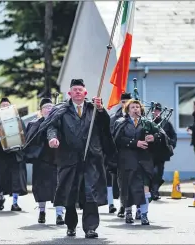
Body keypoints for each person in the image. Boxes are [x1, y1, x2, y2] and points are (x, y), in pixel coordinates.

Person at [44, 79, 116, 238]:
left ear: (85, 93)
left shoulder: (94, 109)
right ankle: (71, 225)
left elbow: (106, 126)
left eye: (80, 89)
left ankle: (90, 228)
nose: (77, 92)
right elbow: (52, 126)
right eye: (74, 89)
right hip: (68, 159)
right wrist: (52, 138)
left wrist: (102, 109)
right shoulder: (61, 110)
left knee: (90, 192)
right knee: (70, 193)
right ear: (69, 93)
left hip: (91, 159)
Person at [113, 99, 161, 225]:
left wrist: (153, 137)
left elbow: (160, 135)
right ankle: (128, 212)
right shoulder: (120, 122)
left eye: (137, 107)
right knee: (127, 186)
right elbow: (117, 139)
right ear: (127, 110)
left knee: (145, 187)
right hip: (127, 159)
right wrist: (135, 143)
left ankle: (144, 215)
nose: (135, 109)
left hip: (144, 160)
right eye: (132, 107)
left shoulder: (147, 123)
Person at [24, 98, 64, 225]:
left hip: (56, 160)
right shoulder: (34, 124)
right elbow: (29, 140)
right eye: (46, 107)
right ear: (40, 111)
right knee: (40, 189)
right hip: (40, 160)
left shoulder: (60, 123)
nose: (49, 109)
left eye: (51, 107)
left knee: (59, 188)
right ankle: (42, 211)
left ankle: (59, 214)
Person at [0, 98, 28, 211]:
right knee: (1, 179)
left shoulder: (18, 120)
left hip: (15, 154)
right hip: (1, 155)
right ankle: (1, 198)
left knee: (16, 180)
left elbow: (24, 135)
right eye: (3, 105)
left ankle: (15, 203)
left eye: (7, 105)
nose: (5, 107)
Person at [107, 92, 132, 215]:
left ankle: (133, 207)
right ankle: (122, 204)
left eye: (128, 102)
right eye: (123, 102)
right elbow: (109, 135)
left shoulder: (137, 117)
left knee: (131, 181)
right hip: (118, 154)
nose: (125, 104)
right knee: (119, 181)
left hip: (132, 154)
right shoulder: (113, 118)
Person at [151, 103, 177, 200]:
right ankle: (153, 191)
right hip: (151, 152)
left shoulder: (166, 123)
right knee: (152, 172)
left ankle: (155, 191)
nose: (156, 112)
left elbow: (173, 136)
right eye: (155, 111)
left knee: (159, 172)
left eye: (158, 110)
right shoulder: (149, 122)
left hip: (161, 153)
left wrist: (171, 145)